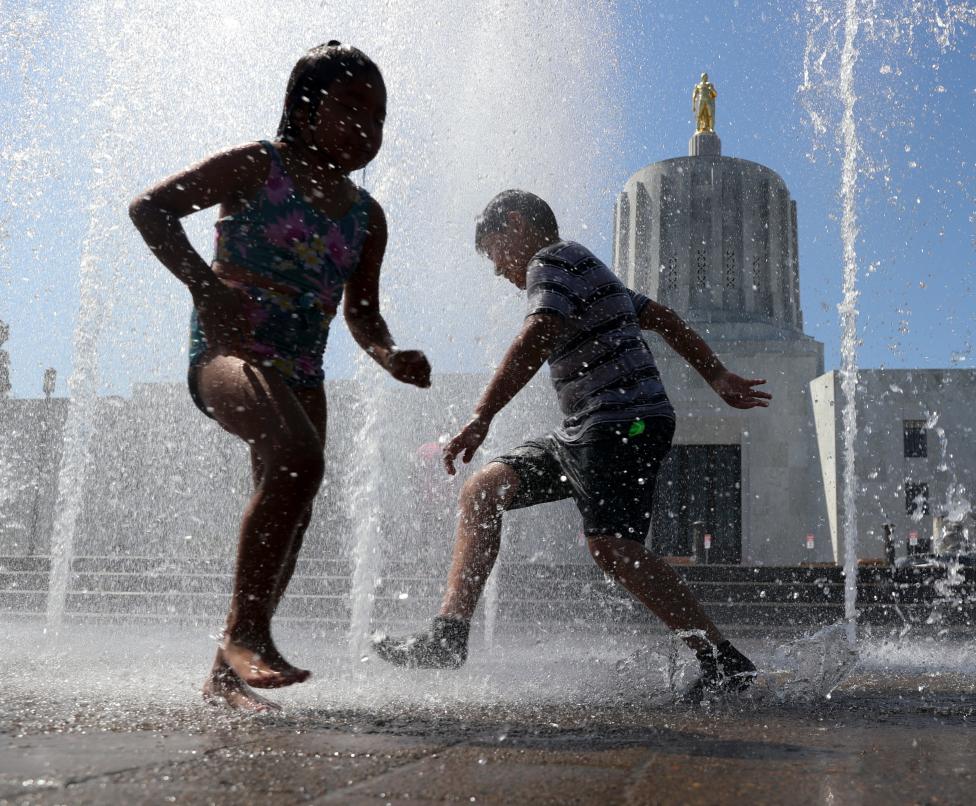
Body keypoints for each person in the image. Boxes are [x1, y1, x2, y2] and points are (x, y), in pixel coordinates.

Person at [129, 42, 431, 712]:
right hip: (228, 357)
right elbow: (150, 208)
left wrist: (389, 355)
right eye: (349, 106)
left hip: (304, 374)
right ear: (303, 105)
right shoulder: (255, 166)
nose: (366, 126)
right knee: (298, 461)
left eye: (378, 116)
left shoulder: (366, 216)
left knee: (291, 506)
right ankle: (246, 632)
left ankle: (225, 675)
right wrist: (205, 288)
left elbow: (364, 313)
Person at [374, 189, 767, 701]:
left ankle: (722, 660)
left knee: (613, 549)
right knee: (483, 490)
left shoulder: (552, 259)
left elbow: (538, 334)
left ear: (515, 225)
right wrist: (715, 375)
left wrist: (482, 416)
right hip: (583, 429)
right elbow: (663, 316)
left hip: (624, 421)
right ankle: (448, 636)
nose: (498, 271)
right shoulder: (586, 267)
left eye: (493, 252)